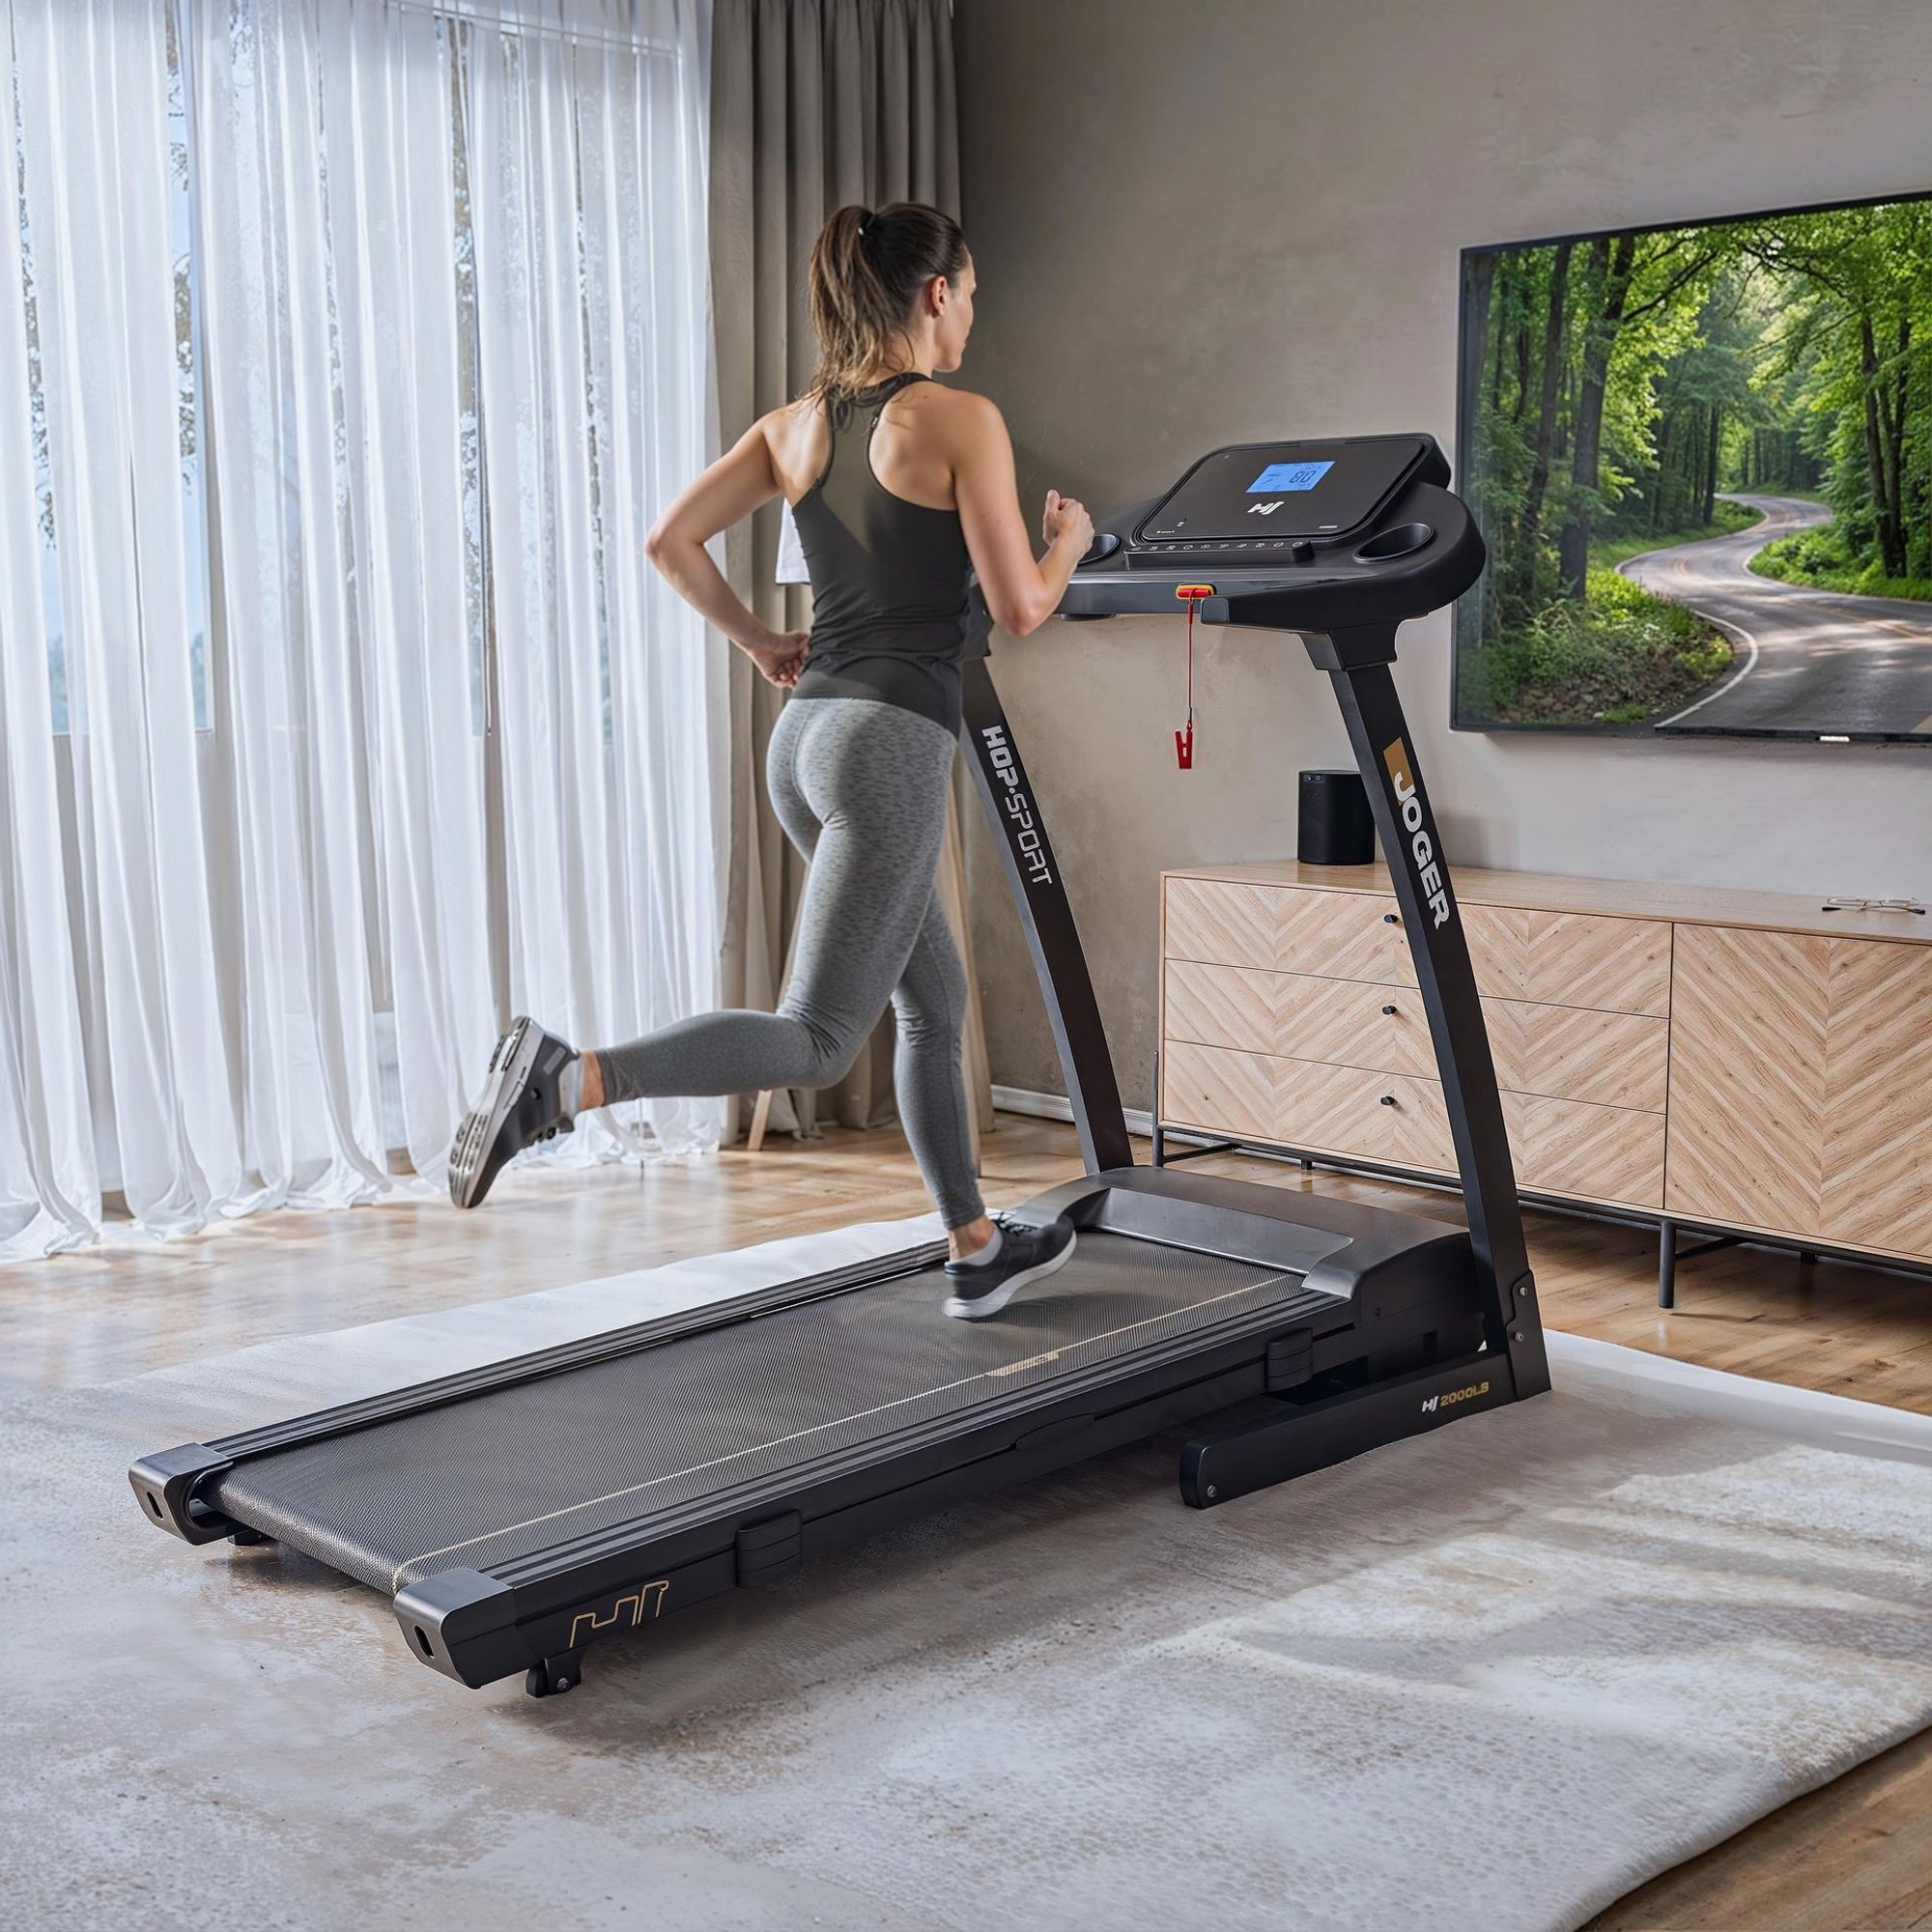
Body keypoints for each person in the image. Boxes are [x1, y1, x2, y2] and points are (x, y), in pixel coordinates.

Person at [448, 201, 1096, 1321]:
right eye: (972, 294)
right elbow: (1020, 606)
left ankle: (974, 1242)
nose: (972, 316)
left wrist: (759, 640)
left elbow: (668, 540)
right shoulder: (961, 420)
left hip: (803, 745)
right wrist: (1069, 544)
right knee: (815, 1035)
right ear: (935, 293)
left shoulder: (793, 426)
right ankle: (573, 1077)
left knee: (933, 1003)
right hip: (888, 745)